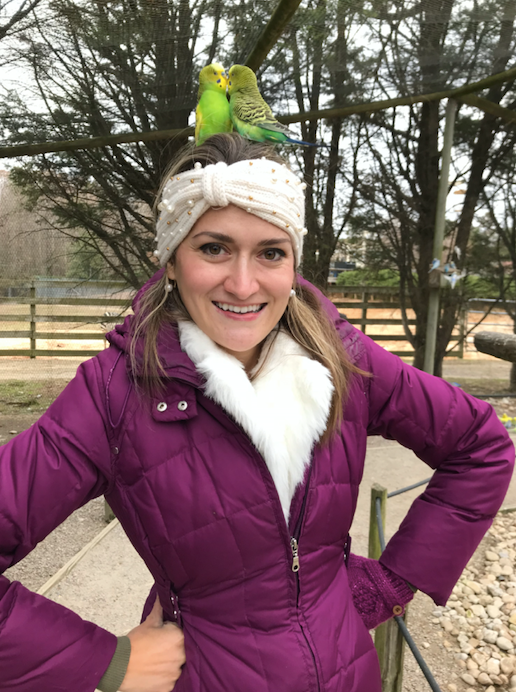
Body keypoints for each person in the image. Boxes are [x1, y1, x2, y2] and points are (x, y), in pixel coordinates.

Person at [0, 132, 513, 692]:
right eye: (213, 248)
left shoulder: (344, 360)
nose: (243, 285)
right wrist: (108, 663)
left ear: (293, 266)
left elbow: (479, 444)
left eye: (270, 252)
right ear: (171, 261)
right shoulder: (115, 395)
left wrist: (397, 580)